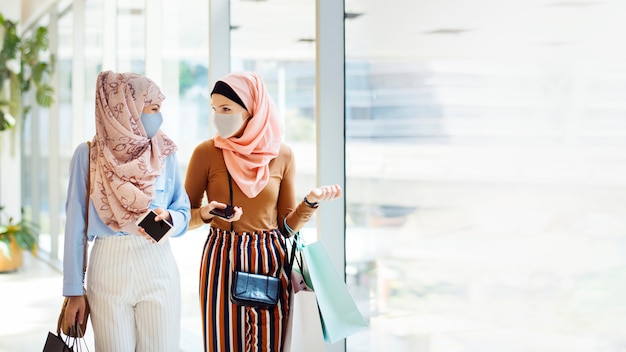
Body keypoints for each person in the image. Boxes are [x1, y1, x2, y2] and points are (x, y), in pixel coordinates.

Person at [185, 71, 342, 351]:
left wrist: (310, 202)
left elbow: (285, 227)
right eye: (214, 109)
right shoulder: (206, 153)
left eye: (226, 109)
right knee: (223, 343)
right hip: (222, 257)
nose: (218, 116)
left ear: (252, 110)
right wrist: (207, 214)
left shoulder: (283, 155)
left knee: (269, 344)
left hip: (269, 260)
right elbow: (185, 217)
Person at [62, 70, 191, 351]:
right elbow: (75, 227)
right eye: (153, 109)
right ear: (127, 109)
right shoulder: (88, 155)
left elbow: (183, 209)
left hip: (157, 263)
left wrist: (170, 218)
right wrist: (73, 291)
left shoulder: (165, 152)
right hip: (107, 266)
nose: (159, 117)